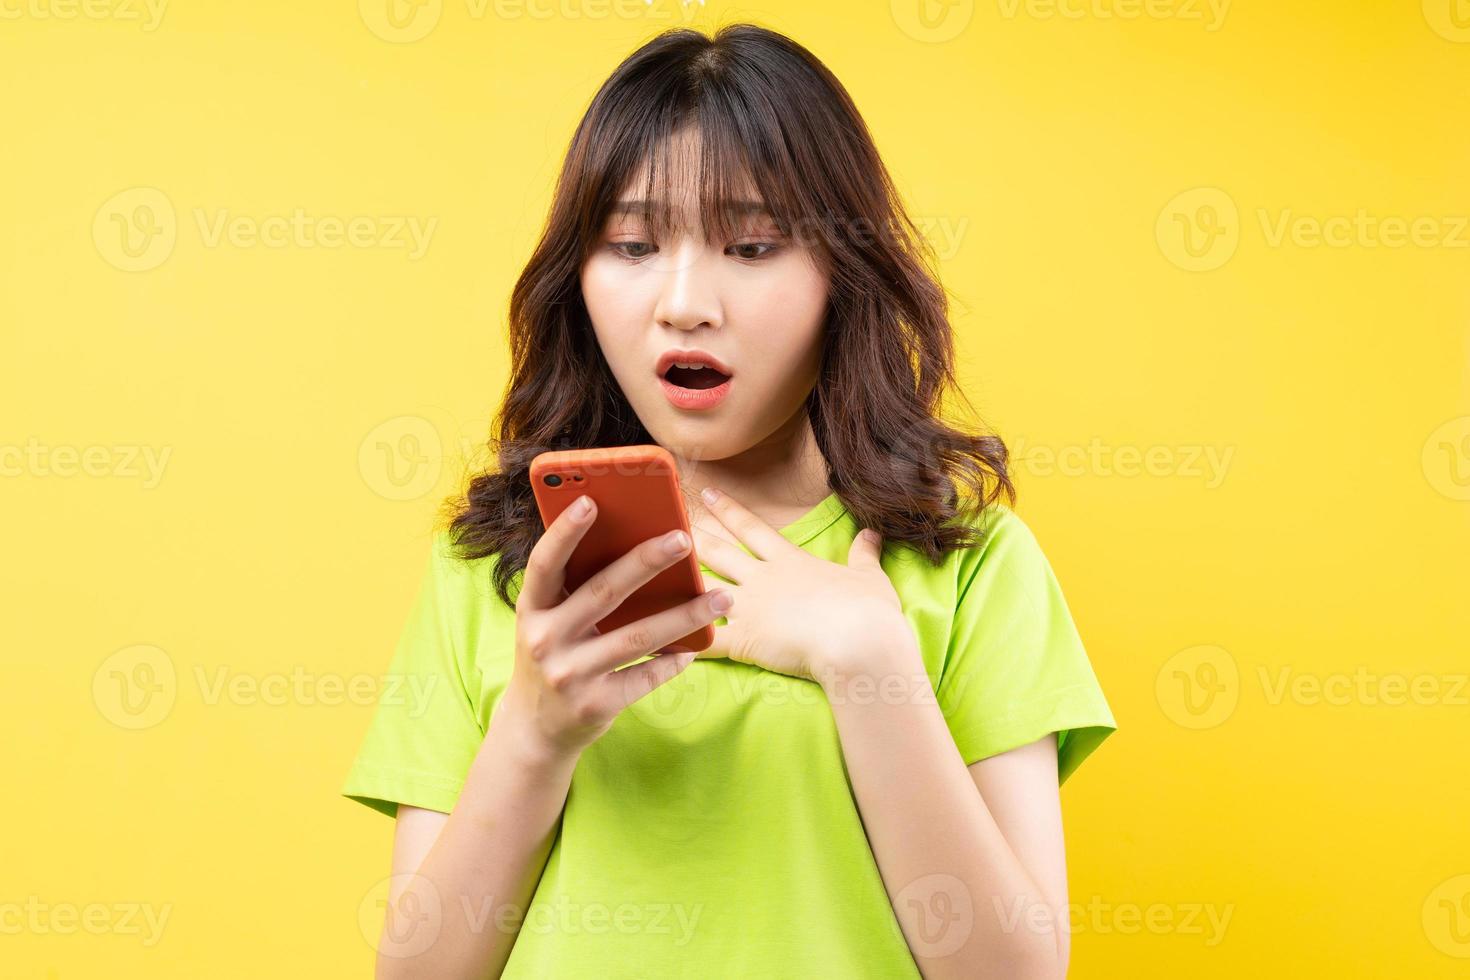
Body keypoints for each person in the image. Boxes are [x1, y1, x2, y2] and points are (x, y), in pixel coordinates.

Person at [342, 22, 1116, 979]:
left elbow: (1014, 974)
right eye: (630, 243)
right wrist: (535, 737)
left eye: (750, 246)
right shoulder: (501, 569)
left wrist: (867, 661)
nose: (684, 301)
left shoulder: (970, 564)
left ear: (844, 274)